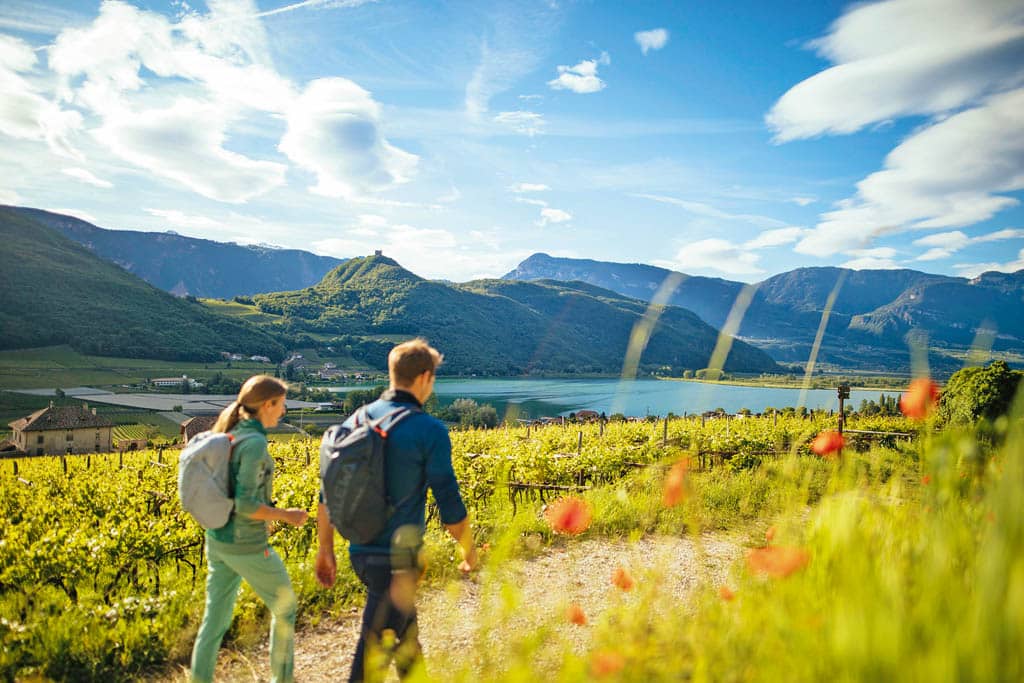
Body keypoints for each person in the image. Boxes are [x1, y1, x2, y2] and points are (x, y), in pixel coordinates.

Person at [315, 338, 479, 682]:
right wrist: (468, 549)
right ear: (425, 377)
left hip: (360, 553)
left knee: (407, 642)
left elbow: (327, 494)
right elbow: (448, 500)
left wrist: (325, 549)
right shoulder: (429, 430)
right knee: (369, 663)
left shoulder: (356, 420)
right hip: (397, 562)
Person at [190, 375, 309, 683]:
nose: (283, 412)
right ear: (268, 404)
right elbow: (245, 504)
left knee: (214, 620)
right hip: (246, 543)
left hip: (217, 539)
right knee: (285, 607)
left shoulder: (231, 433)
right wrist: (286, 515)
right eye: (281, 405)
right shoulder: (254, 443)